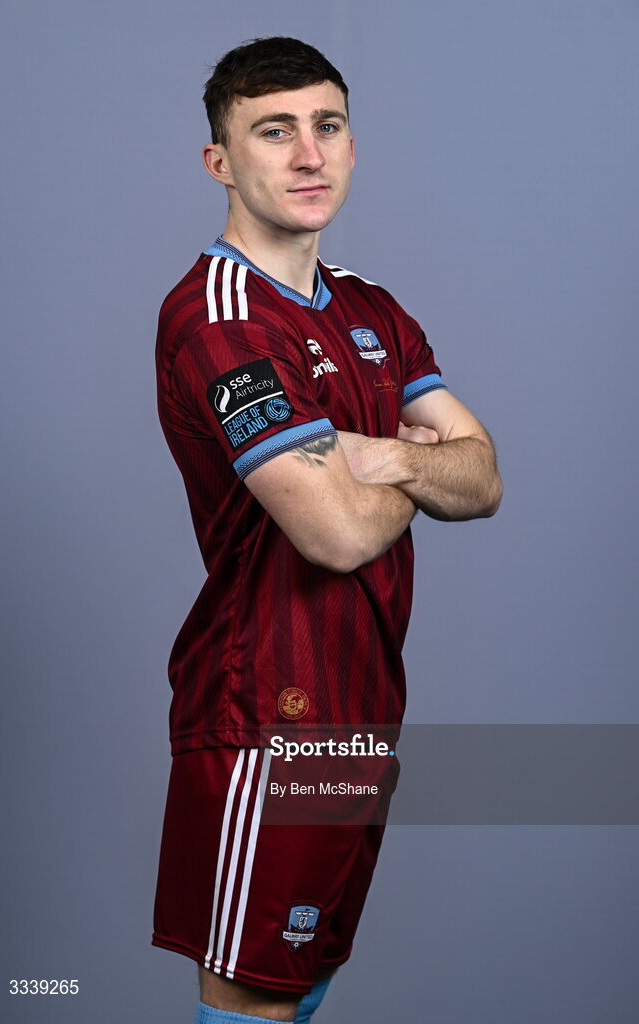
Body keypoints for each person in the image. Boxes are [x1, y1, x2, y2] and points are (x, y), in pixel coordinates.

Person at [152, 36, 502, 1024]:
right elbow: (338, 535)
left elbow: (483, 479)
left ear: (351, 145)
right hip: (270, 716)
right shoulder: (218, 320)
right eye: (274, 131)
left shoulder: (373, 310)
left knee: (303, 986)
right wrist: (419, 463)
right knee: (255, 998)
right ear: (222, 161)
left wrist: (383, 454)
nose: (309, 154)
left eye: (328, 126)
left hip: (363, 704)